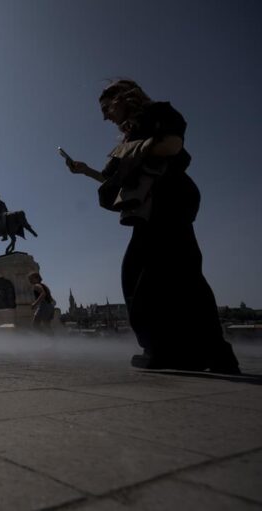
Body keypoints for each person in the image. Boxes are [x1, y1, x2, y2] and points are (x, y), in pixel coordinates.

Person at [66, 79, 240, 374]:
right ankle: (180, 350)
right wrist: (85, 171)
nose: (105, 116)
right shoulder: (128, 140)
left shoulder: (158, 113)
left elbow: (172, 145)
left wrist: (133, 151)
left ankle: (203, 352)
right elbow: (113, 180)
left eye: (107, 108)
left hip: (170, 198)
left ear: (122, 98)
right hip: (148, 209)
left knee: (174, 275)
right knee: (151, 273)